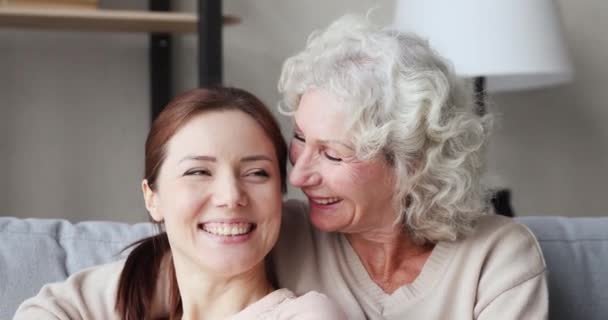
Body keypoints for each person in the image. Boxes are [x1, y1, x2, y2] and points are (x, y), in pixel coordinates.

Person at [14, 15, 547, 320]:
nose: (298, 176)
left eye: (333, 155)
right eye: (299, 141)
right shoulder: (268, 229)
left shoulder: (497, 259)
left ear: (411, 167)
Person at [13, 87, 345, 319]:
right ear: (152, 197)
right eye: (199, 171)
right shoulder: (138, 287)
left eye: (257, 173)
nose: (231, 196)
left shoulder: (307, 315)